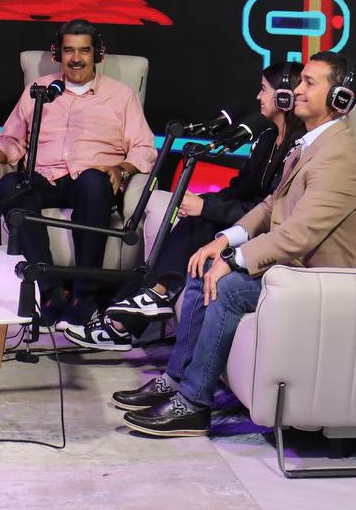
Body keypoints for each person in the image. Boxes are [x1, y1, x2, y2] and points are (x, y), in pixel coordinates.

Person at [117, 52, 356, 437]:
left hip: (328, 282)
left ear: (340, 98)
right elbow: (271, 206)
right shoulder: (311, 144)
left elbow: (298, 235)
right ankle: (176, 379)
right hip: (297, 271)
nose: (297, 91)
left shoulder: (339, 157)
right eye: (300, 81)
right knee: (202, 268)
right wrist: (225, 240)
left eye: (309, 83)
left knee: (228, 286)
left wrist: (234, 259)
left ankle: (194, 404)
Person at [67, 61, 304, 351]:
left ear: (284, 97)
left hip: (264, 235)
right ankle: (142, 304)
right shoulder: (267, 139)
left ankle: (136, 310)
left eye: (264, 90)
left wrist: (206, 208)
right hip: (244, 223)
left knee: (201, 221)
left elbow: (267, 212)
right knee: (195, 222)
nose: (258, 97)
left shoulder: (297, 149)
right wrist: (203, 202)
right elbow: (239, 190)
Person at [0, 19, 157, 335]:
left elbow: (145, 148)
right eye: (69, 50)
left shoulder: (121, 96)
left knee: (92, 183)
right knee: (12, 185)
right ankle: (51, 291)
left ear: (98, 54)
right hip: (46, 177)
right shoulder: (39, 91)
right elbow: (12, 138)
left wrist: (122, 169)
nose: (76, 59)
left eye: (84, 51)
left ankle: (85, 296)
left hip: (95, 181)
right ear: (58, 54)